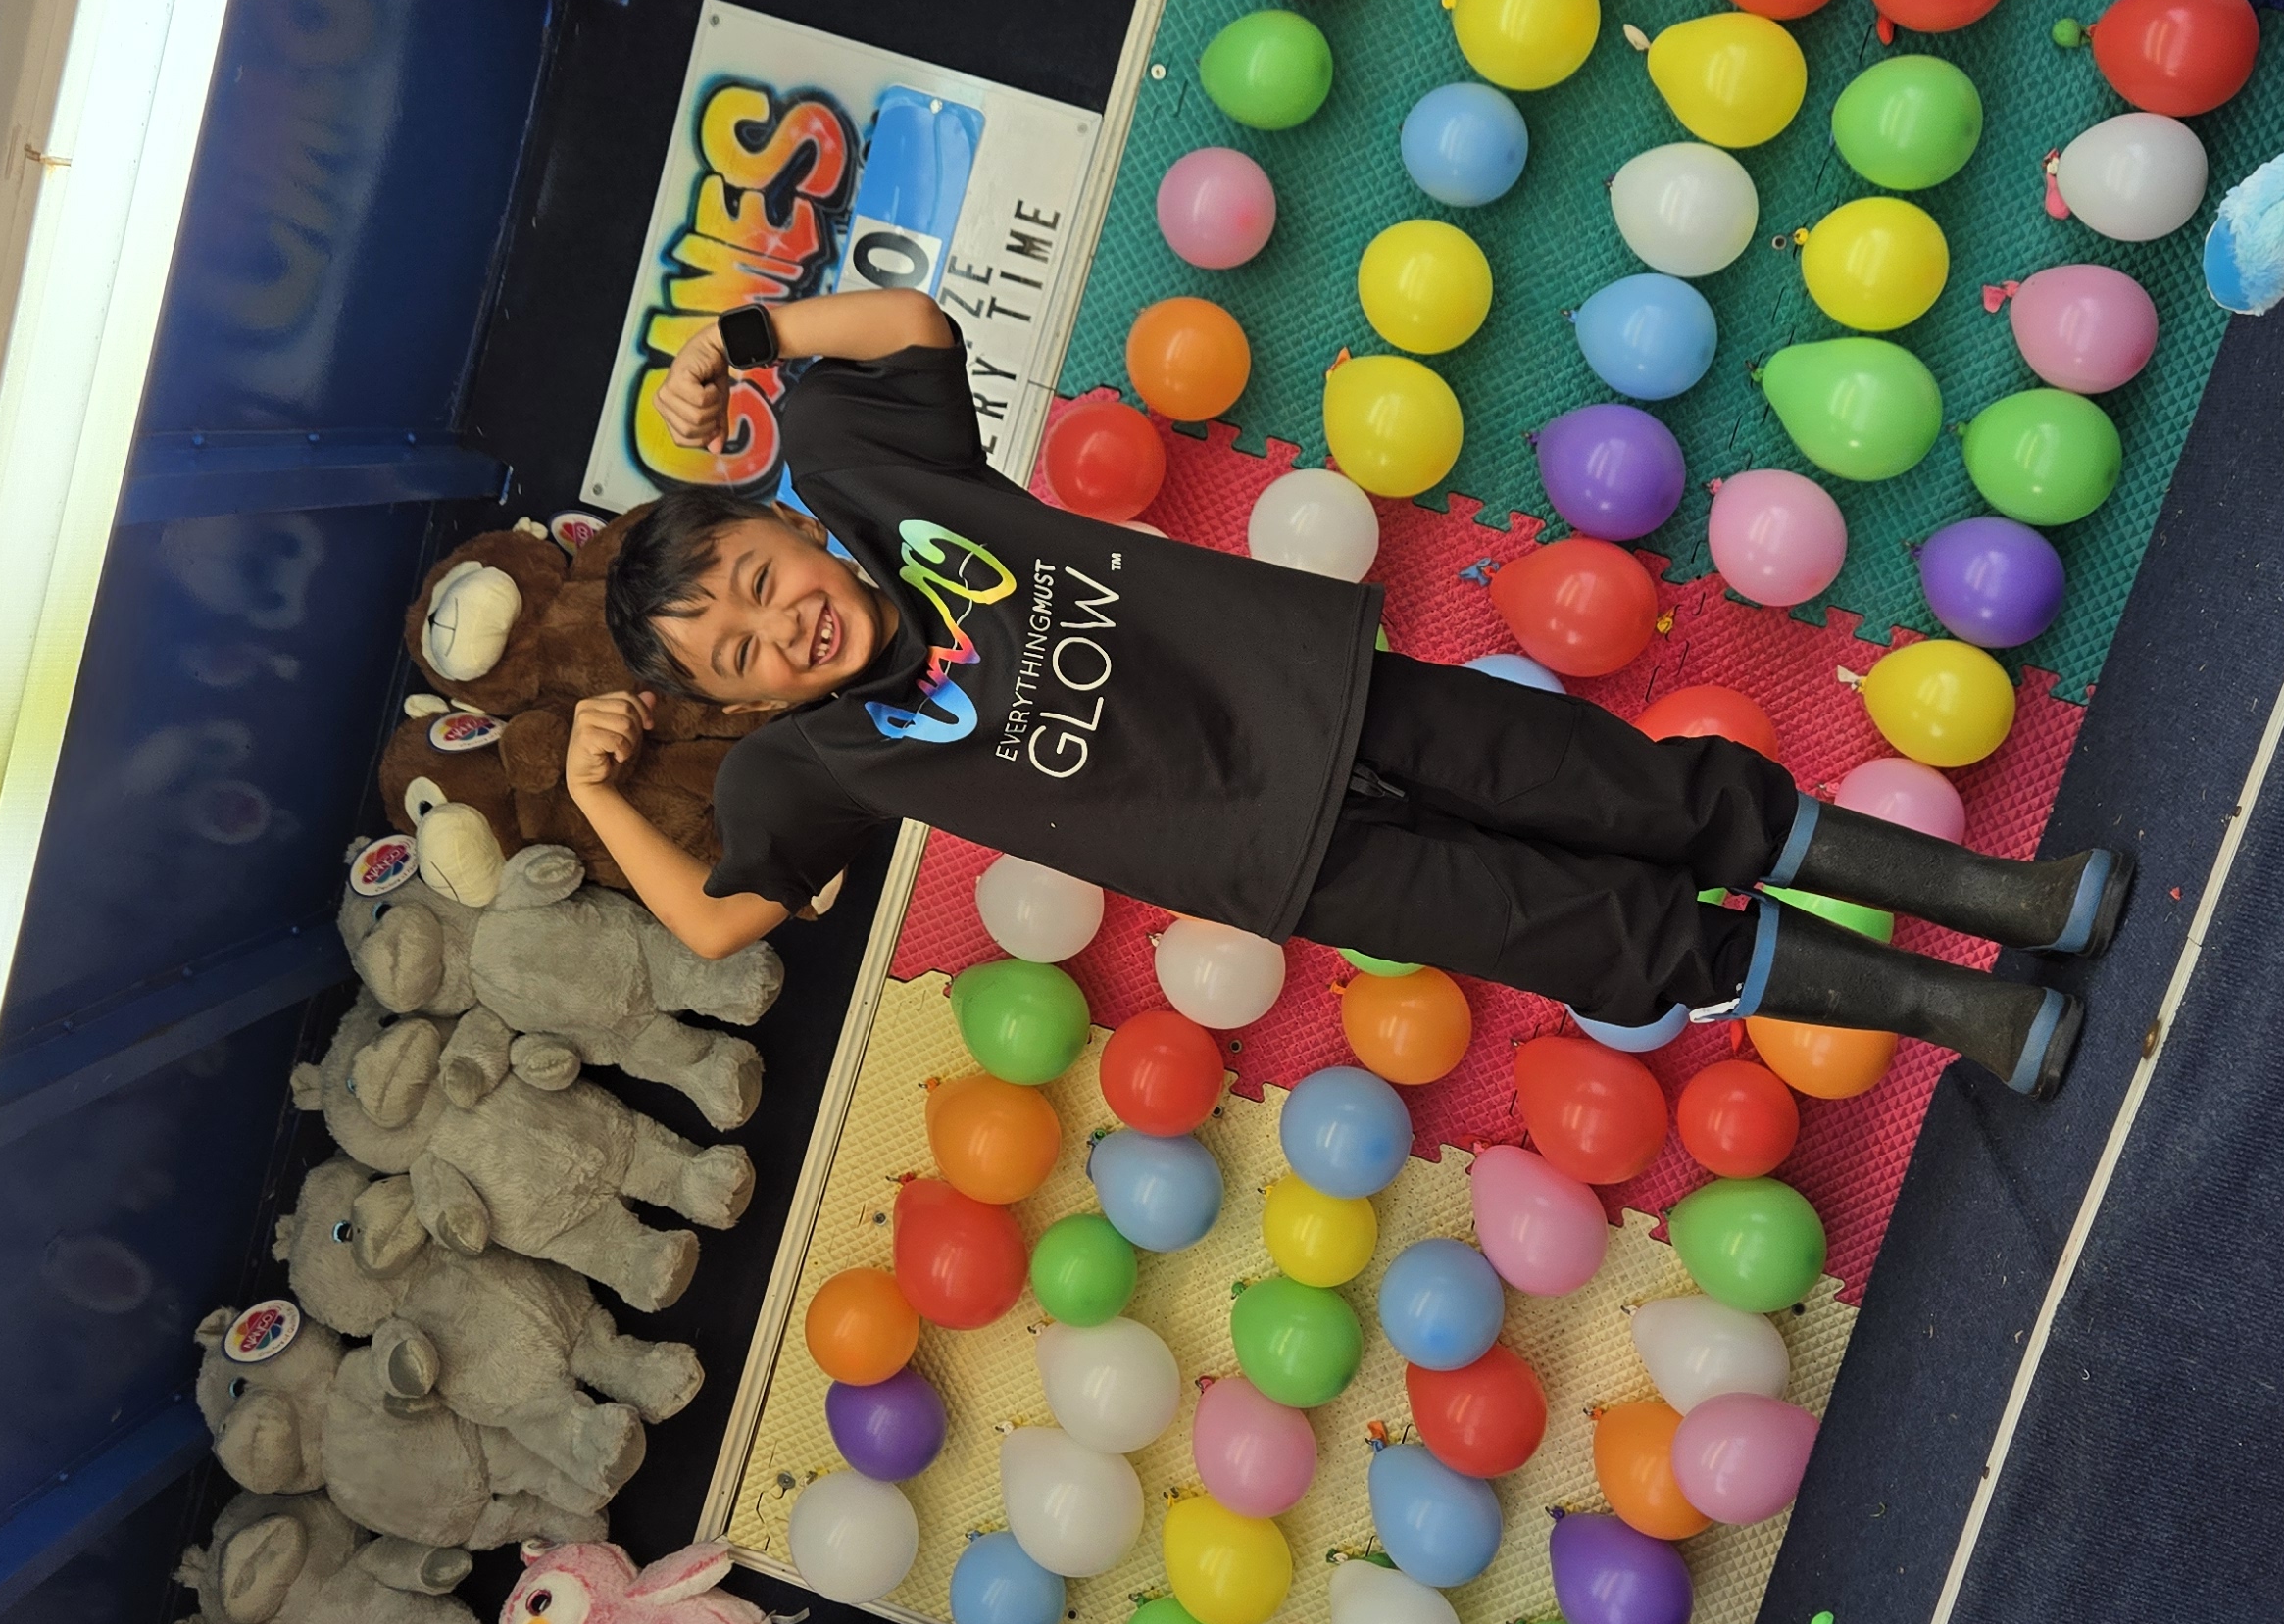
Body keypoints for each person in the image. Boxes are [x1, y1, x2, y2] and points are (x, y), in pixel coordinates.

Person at [561, 289, 2125, 1095]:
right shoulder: (805, 766)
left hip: (1335, 696)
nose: (786, 635)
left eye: (767, 585)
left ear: (785, 520)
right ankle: (1956, 1013)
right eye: (740, 659)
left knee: (1667, 797)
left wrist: (735, 341)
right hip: (1290, 861)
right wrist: (591, 795)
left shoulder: (864, 470)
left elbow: (904, 326)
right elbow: (712, 922)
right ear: (741, 705)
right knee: (1623, 944)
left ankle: (2012, 895)